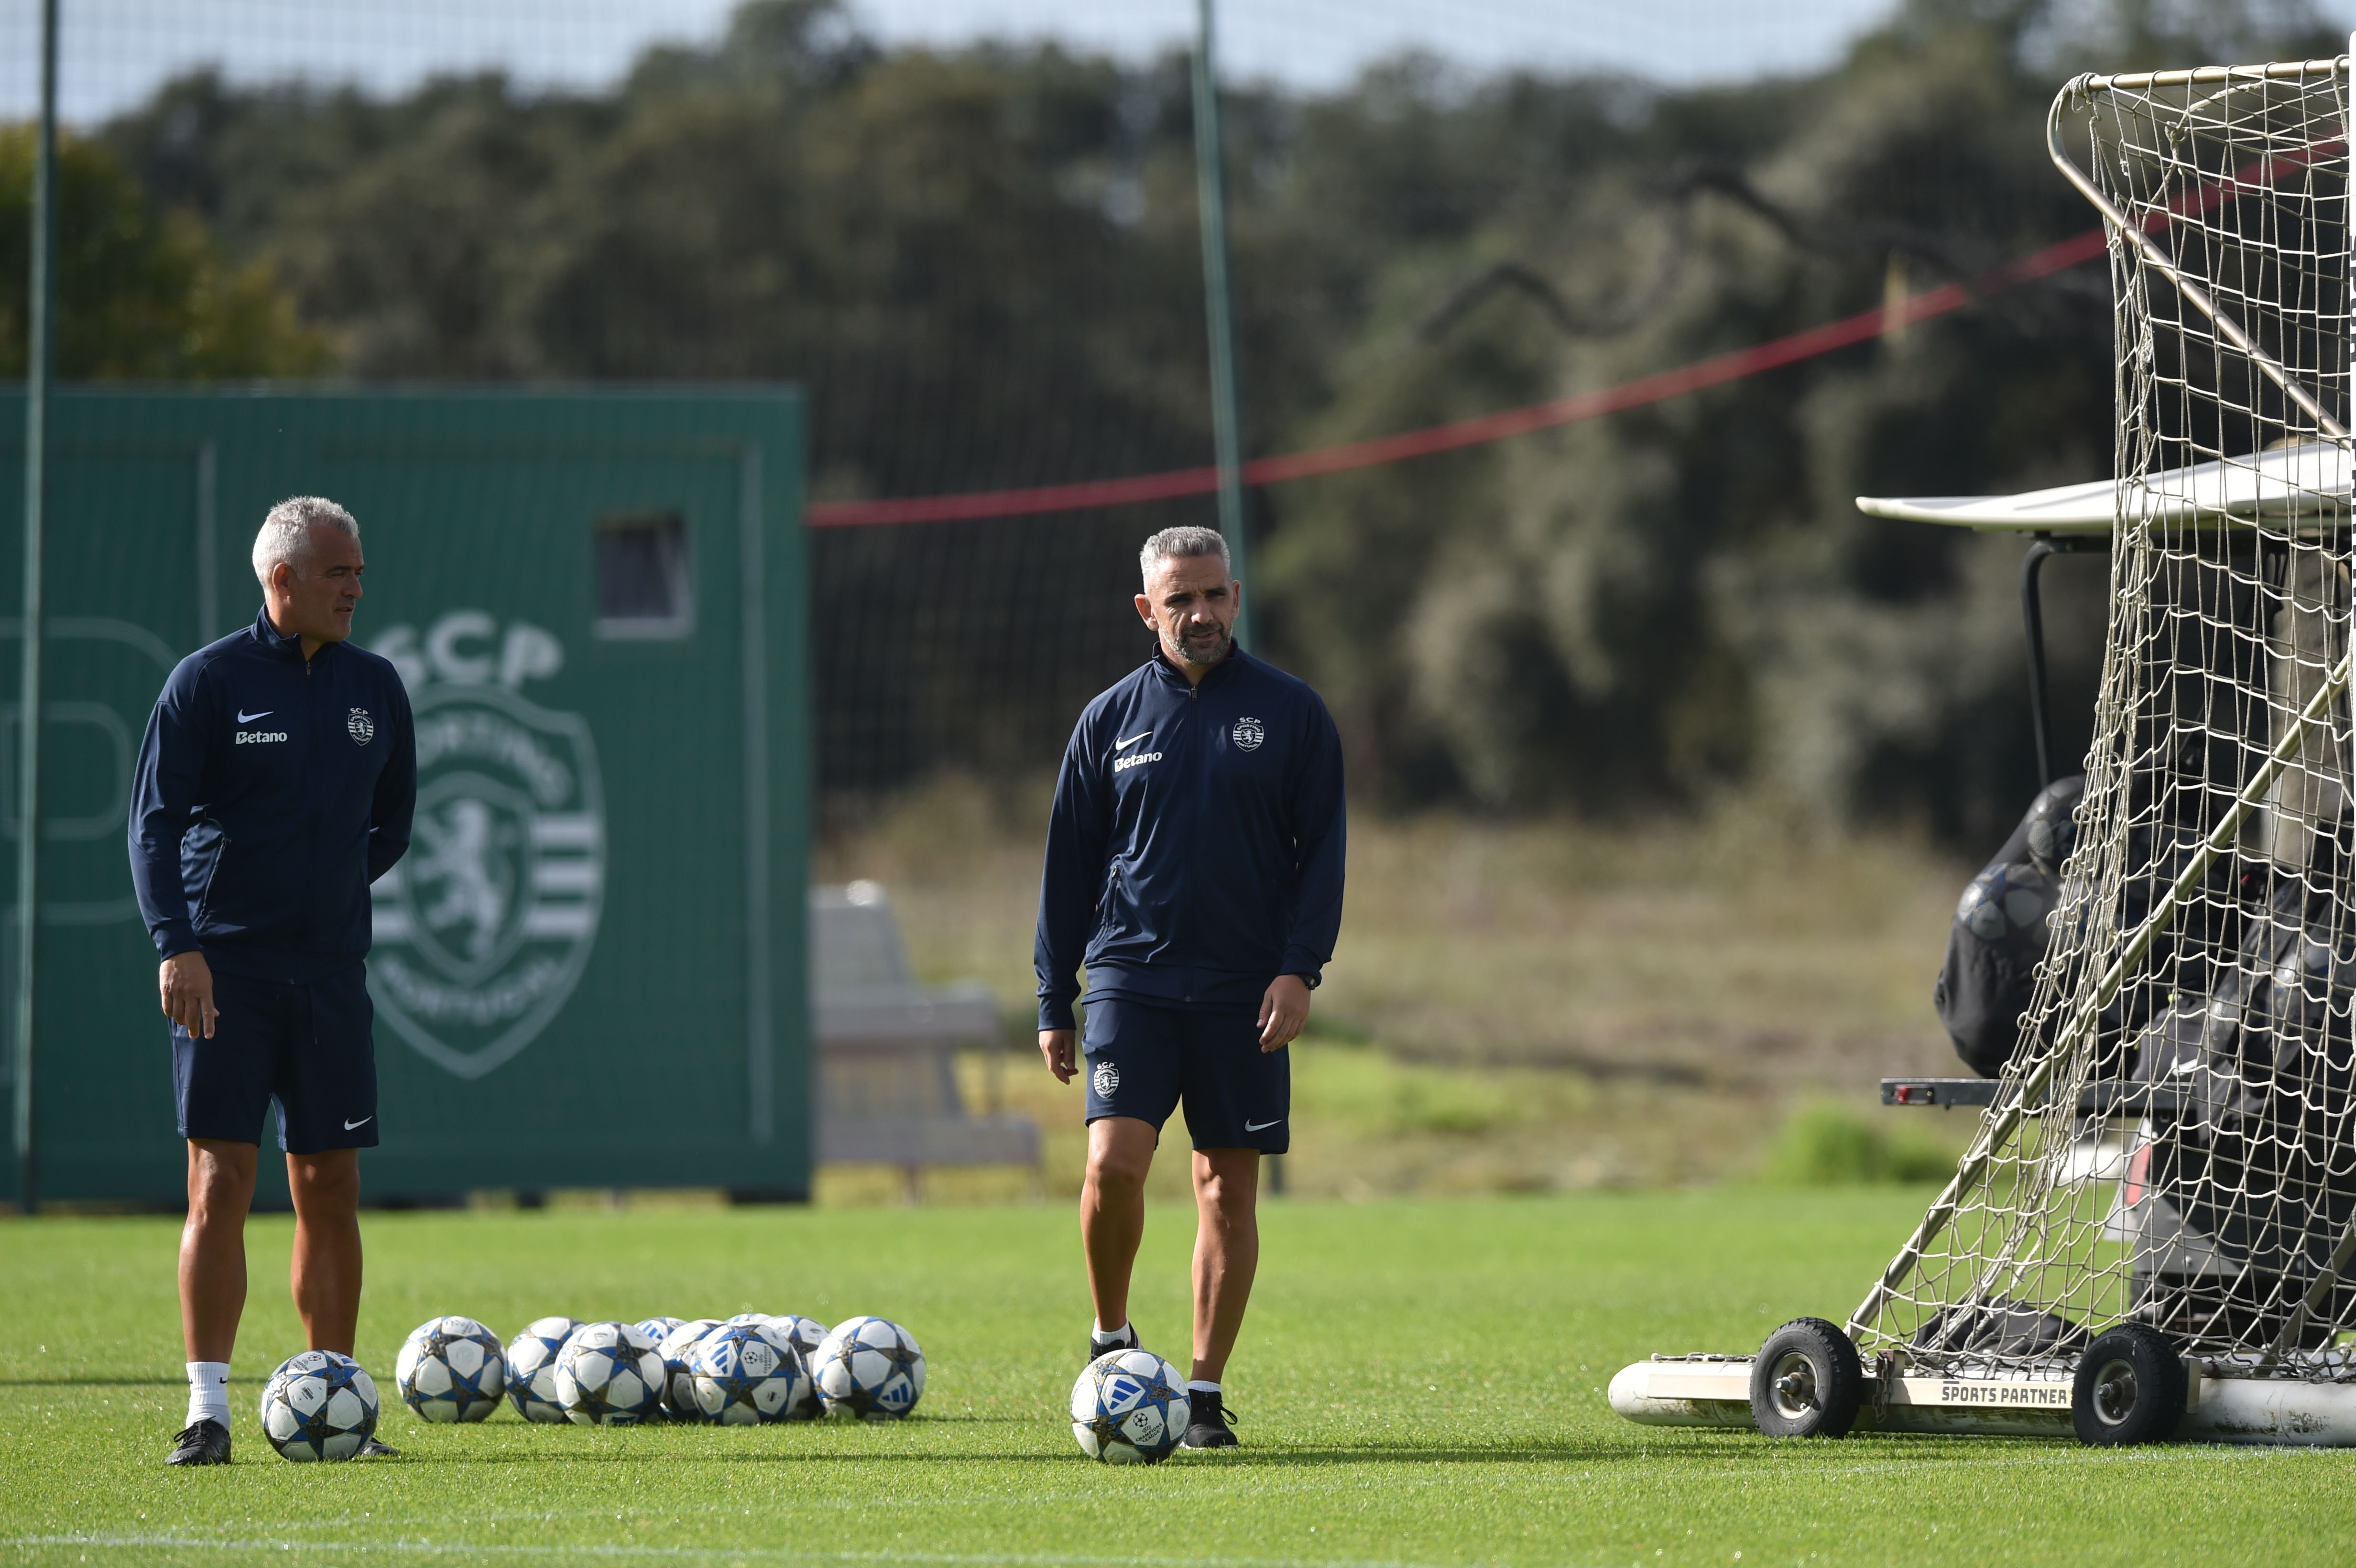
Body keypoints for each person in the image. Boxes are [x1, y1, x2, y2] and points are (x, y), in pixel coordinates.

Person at [1035, 524, 1345, 1449]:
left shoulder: (1294, 715)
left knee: (1224, 1190)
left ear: (1236, 598)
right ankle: (1111, 1339)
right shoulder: (1108, 721)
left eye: (1213, 596)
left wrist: (1299, 969)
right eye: (1180, 601)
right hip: (1131, 974)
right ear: (1147, 610)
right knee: (1111, 1165)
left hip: (1245, 986)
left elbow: (1322, 857)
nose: (1200, 614)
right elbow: (1066, 870)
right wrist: (1056, 997)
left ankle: (1204, 1395)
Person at [129, 497, 416, 1467]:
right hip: (227, 971)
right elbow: (153, 826)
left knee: (330, 1183)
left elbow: (393, 824)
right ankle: (207, 1411)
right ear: (282, 578)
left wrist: (323, 896)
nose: (356, 588)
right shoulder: (206, 682)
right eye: (339, 571)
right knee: (220, 1179)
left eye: (360, 570)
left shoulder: (375, 685)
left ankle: (331, 1396)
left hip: (330, 973)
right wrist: (180, 941)